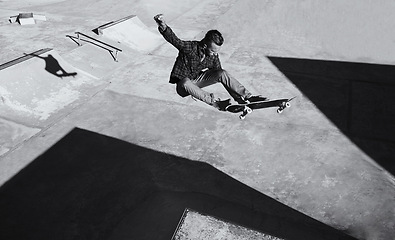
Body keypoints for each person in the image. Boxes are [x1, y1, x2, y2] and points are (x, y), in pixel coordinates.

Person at [154, 14, 266, 111]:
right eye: (212, 51)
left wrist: (238, 98)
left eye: (216, 52)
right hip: (182, 87)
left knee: (221, 73)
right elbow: (174, 40)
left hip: (197, 81)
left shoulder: (213, 57)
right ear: (204, 45)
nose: (214, 54)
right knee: (185, 82)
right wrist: (163, 25)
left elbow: (222, 78)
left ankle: (246, 97)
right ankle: (215, 103)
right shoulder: (190, 48)